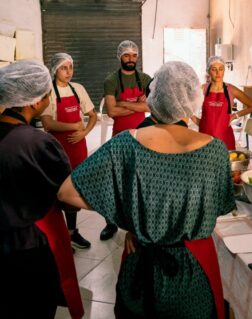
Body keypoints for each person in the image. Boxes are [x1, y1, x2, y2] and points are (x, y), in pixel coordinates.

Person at [58, 61, 235, 319]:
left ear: (154, 98)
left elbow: (66, 193)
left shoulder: (125, 144)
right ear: (192, 100)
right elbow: (218, 205)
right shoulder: (215, 150)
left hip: (141, 259)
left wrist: (129, 217)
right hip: (195, 265)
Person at [0, 60, 83, 319]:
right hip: (29, 247)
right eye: (47, 94)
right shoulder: (37, 143)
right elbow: (67, 198)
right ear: (35, 102)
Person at [41, 53, 96, 249]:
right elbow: (48, 124)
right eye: (64, 68)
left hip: (78, 148)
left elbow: (92, 115)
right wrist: (74, 126)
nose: (68, 72)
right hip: (58, 150)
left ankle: (72, 233)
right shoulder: (48, 91)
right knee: (58, 191)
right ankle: (58, 235)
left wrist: (84, 133)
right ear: (55, 70)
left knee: (74, 190)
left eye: (71, 67)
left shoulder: (78, 89)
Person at [100, 40, 152, 240]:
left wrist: (123, 102)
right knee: (114, 181)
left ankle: (138, 221)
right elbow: (112, 112)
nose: (131, 59)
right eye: (127, 55)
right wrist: (136, 104)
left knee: (139, 181)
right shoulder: (111, 80)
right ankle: (111, 223)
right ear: (119, 57)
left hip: (141, 136)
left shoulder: (145, 79)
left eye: (134, 55)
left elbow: (150, 107)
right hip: (120, 136)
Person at [192, 56, 252, 150]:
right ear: (209, 71)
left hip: (225, 139)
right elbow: (185, 105)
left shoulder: (231, 90)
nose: (218, 73)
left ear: (224, 71)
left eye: (221, 69)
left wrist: (235, 115)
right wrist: (198, 121)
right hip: (205, 138)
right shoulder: (202, 89)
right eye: (214, 69)